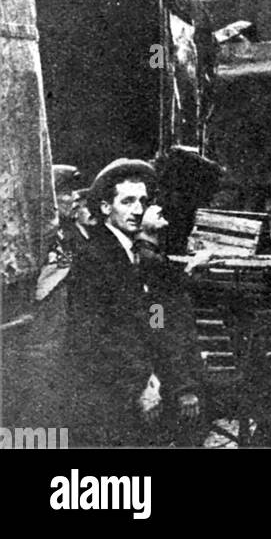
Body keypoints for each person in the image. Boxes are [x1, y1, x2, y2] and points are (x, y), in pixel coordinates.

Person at [64, 159, 163, 447]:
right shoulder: (94, 257)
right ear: (106, 207)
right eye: (127, 201)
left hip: (136, 387)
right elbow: (95, 335)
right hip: (108, 395)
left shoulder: (133, 253)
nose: (137, 210)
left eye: (142, 201)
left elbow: (147, 323)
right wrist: (140, 385)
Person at [133, 202, 205, 446]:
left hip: (170, 375)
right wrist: (184, 387)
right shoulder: (150, 264)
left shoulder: (153, 259)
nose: (157, 208)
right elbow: (160, 330)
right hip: (172, 380)